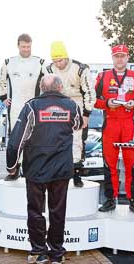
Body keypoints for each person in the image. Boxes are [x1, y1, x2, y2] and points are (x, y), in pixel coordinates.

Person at [6, 74, 82, 264]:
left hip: (35, 169)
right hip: (61, 171)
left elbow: (16, 141)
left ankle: (39, 252)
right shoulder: (71, 105)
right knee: (58, 211)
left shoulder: (31, 106)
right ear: (60, 87)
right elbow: (78, 124)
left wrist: (12, 167)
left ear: (41, 88)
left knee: (35, 211)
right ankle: (57, 254)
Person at [95, 44, 134, 214]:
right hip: (110, 122)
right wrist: (106, 104)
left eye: (122, 56)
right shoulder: (103, 76)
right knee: (109, 163)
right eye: (116, 56)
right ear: (112, 58)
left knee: (131, 163)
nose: (119, 59)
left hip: (128, 123)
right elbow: (93, 99)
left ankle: (133, 200)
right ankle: (111, 199)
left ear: (127, 57)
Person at [46, 41, 96, 188]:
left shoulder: (80, 68)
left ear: (66, 57)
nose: (58, 64)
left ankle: (76, 174)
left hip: (77, 104)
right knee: (55, 139)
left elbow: (90, 93)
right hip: (58, 104)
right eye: (55, 61)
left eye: (60, 60)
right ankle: (56, 173)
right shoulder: (49, 69)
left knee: (77, 141)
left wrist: (86, 114)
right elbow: (45, 89)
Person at [0, 33, 46, 135]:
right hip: (15, 106)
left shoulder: (40, 62)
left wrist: (44, 100)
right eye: (23, 47)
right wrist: (3, 98)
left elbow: (50, 82)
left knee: (34, 136)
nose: (26, 49)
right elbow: (0, 81)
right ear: (18, 46)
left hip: (34, 106)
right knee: (15, 136)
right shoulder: (9, 62)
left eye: (28, 47)